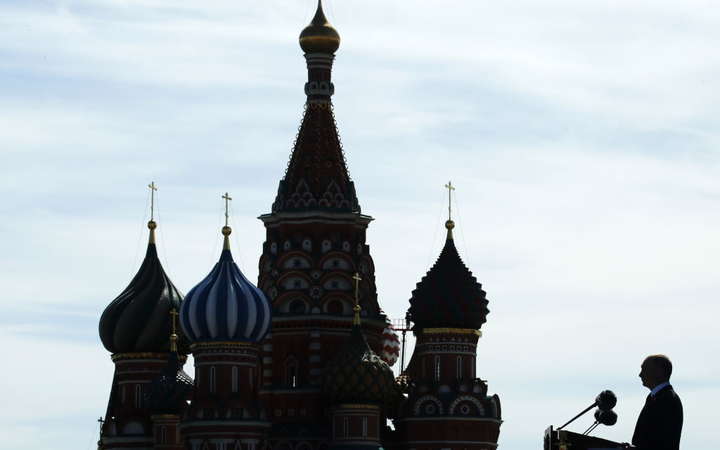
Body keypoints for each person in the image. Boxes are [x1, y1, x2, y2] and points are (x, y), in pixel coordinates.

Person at [629, 354, 683, 450]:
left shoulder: (667, 400)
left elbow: (661, 440)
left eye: (644, 369)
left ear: (659, 372)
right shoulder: (657, 397)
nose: (640, 374)